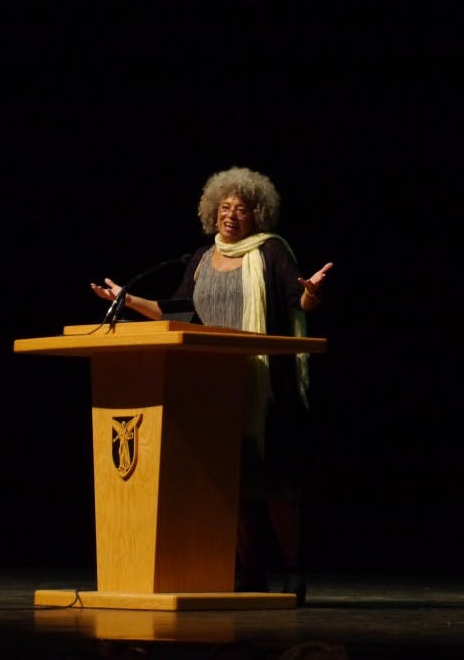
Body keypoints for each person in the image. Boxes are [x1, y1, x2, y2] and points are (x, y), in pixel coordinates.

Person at [90, 166, 333, 606]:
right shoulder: (202, 259)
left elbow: (299, 298)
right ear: (212, 212)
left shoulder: (272, 253)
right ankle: (250, 572)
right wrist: (126, 298)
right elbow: (177, 310)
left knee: (275, 484)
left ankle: (294, 572)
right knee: (232, 481)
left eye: (241, 208)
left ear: (258, 214)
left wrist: (311, 295)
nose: (231, 215)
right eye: (224, 207)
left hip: (265, 384)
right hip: (212, 386)